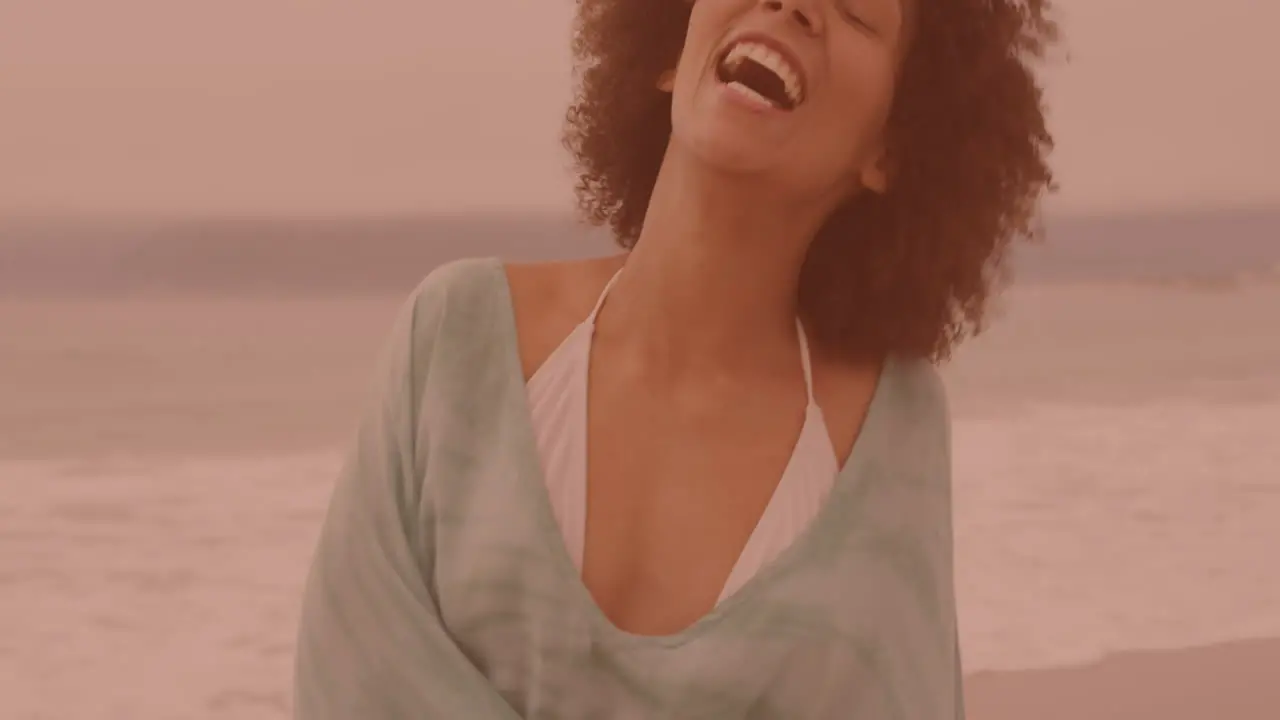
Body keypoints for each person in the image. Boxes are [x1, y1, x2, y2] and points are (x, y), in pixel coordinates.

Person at [292, 0, 1057, 717]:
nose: (795, 4)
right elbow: (348, 685)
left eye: (857, 9)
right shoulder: (455, 337)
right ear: (670, 52)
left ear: (889, 149)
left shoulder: (886, 431)